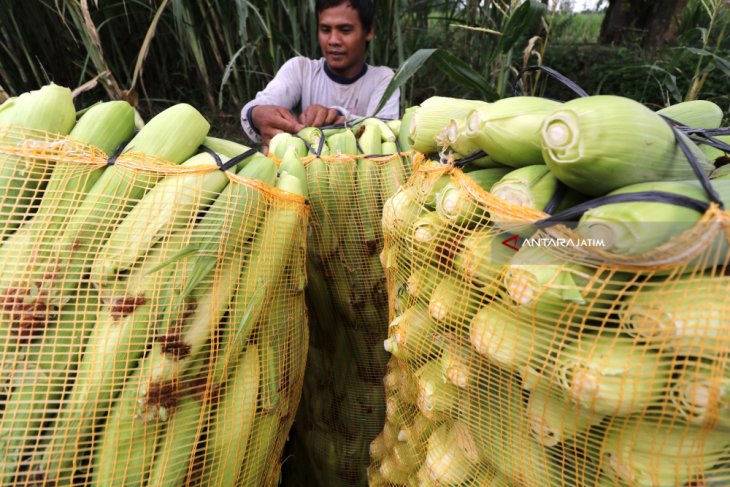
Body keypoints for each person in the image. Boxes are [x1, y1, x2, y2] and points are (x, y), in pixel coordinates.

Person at [240, 0, 400, 153]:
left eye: (345, 30)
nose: (333, 40)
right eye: (325, 30)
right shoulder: (300, 70)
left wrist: (339, 116)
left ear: (369, 32)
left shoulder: (384, 79)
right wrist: (256, 114)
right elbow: (261, 104)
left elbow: (385, 132)